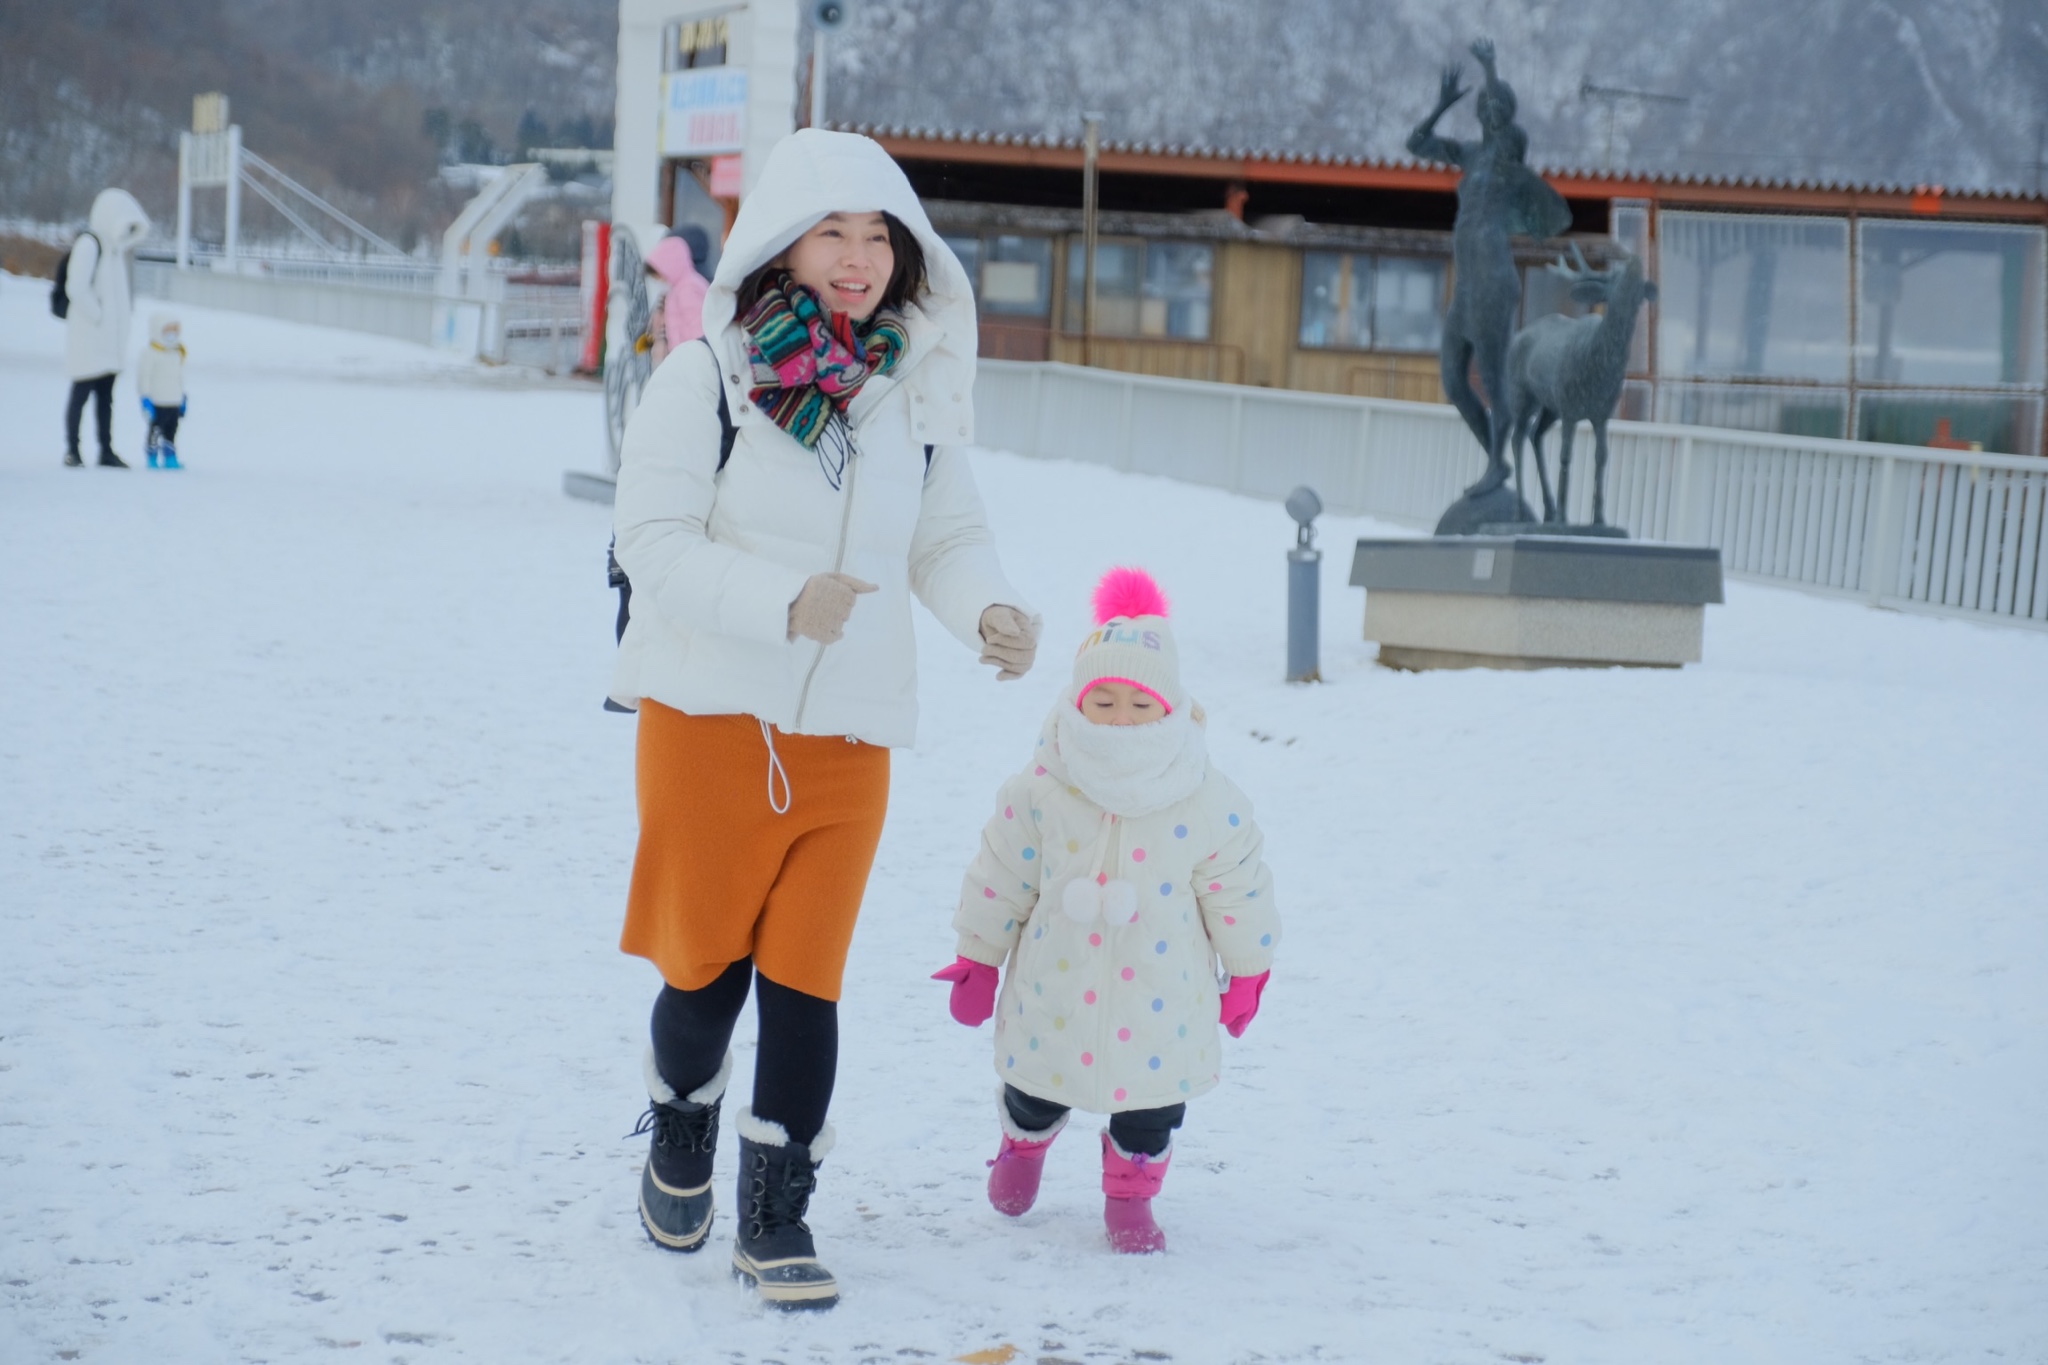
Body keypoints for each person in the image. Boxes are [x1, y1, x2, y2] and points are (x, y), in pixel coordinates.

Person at [608, 128, 1041, 1310]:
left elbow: (944, 536)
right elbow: (649, 543)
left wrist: (988, 608)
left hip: (848, 737)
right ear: (783, 244)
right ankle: (681, 1119)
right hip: (710, 724)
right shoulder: (709, 379)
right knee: (703, 982)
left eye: (879, 235)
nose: (858, 257)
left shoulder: (912, 392)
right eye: (833, 231)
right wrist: (782, 602)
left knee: (805, 982)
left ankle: (777, 1212)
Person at [934, 567, 1280, 1254]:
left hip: (1163, 998)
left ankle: (1130, 1196)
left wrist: (1248, 970)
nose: (1121, 718)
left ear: (1171, 708)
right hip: (1054, 985)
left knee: (1151, 1108)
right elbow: (1001, 873)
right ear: (1077, 702)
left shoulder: (1205, 797)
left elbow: (1238, 885)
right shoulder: (1042, 787)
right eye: (1105, 700)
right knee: (1036, 1085)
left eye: (1140, 704)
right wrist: (978, 955)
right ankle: (1023, 1145)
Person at [62, 188, 151, 468]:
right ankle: (73, 449)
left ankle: (106, 449)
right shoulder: (90, 245)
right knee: (81, 394)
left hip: (109, 343)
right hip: (90, 339)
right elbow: (76, 286)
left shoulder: (115, 251)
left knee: (105, 399)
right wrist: (98, 316)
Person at [644, 227, 711, 364]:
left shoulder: (688, 288)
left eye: (659, 273)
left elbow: (697, 327)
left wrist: (693, 359)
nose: (660, 279)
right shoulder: (679, 287)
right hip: (683, 356)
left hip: (691, 359)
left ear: (669, 266)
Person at [136, 313, 188, 469]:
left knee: (171, 430)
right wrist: (145, 397)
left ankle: (170, 456)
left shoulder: (177, 352)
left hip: (174, 401)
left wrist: (182, 397)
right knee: (155, 430)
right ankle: (151, 455)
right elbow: (144, 377)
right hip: (157, 402)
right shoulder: (150, 353)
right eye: (168, 330)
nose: (172, 334)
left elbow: (179, 377)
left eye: (175, 330)